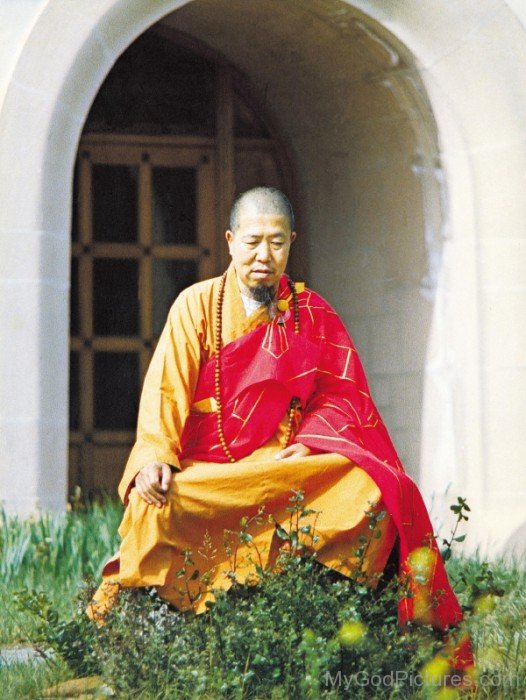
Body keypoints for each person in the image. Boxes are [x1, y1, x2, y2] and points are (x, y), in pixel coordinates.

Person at [88, 186, 472, 669]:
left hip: (284, 464)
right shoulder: (196, 306)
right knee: (158, 505)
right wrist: (154, 458)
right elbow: (165, 391)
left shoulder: (311, 313)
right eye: (252, 242)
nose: (263, 256)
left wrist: (313, 443)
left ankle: (354, 618)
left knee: (372, 487)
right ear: (230, 241)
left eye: (276, 243)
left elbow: (343, 394)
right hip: (213, 472)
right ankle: (162, 625)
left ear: (292, 242)